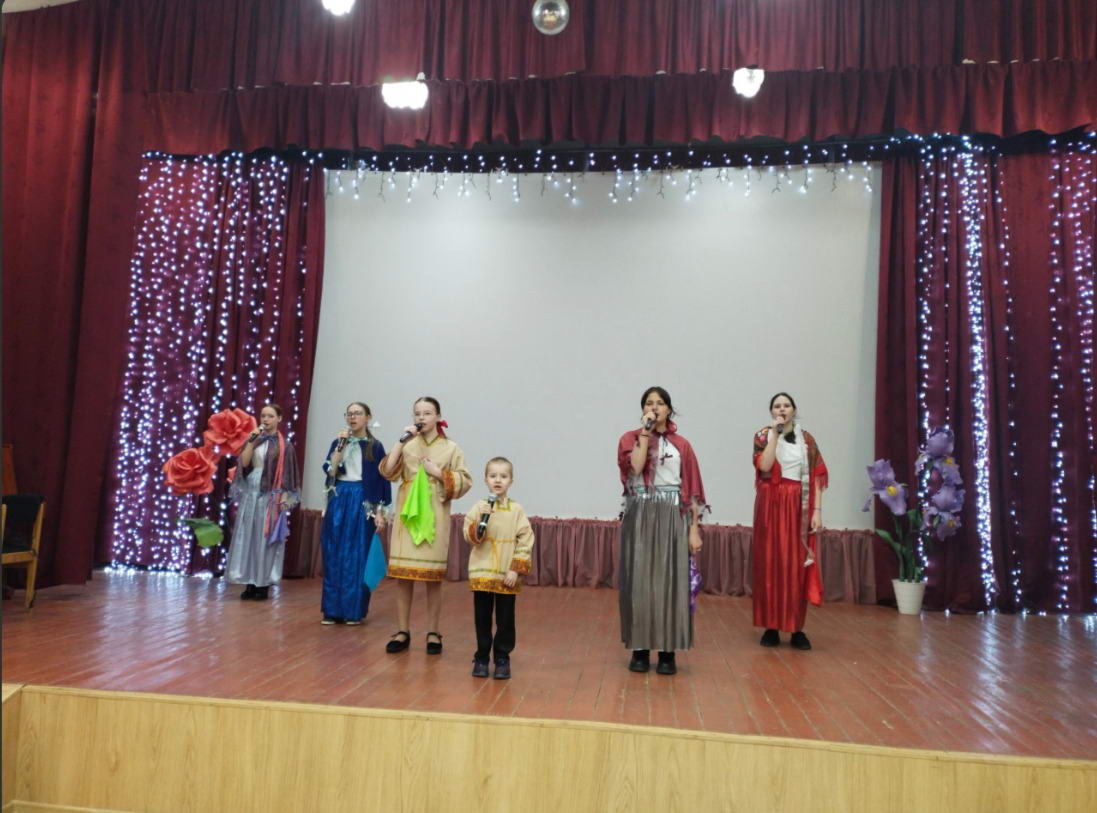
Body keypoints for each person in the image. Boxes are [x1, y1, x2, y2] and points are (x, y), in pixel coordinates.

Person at [616, 386, 706, 675]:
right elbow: (635, 468)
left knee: (671, 581)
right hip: (640, 512)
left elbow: (693, 489)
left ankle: (668, 652)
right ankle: (640, 649)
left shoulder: (683, 445)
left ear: (669, 409)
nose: (654, 407)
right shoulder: (629, 439)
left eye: (660, 403)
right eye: (648, 403)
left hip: (672, 514)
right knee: (640, 582)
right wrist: (645, 433)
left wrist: (694, 529)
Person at [380, 396, 471, 654]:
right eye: (417, 413)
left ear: (438, 416)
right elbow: (387, 471)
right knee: (403, 577)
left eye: (427, 413)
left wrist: (438, 473)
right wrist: (400, 441)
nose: (421, 417)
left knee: (433, 579)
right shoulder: (408, 445)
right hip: (408, 516)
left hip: (434, 515)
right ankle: (402, 631)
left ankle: (433, 631)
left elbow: (465, 481)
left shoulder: (451, 448)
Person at [752, 392, 828, 650]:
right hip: (770, 505)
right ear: (772, 412)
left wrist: (817, 511)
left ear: (794, 410)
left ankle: (796, 628)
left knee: (795, 565)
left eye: (786, 405)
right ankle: (771, 626)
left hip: (798, 505)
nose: (782, 409)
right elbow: (765, 466)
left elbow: (817, 476)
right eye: (777, 406)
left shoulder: (807, 439)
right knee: (770, 562)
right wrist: (775, 435)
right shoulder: (763, 436)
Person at [462, 457, 535, 680]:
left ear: (511, 481)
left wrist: (515, 569)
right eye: (493, 476)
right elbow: (469, 535)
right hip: (483, 571)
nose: (498, 480)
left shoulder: (516, 510)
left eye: (503, 476)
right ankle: (482, 657)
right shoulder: (479, 507)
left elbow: (525, 540)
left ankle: (502, 658)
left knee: (505, 619)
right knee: (482, 618)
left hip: (506, 574)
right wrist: (480, 522)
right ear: (485, 480)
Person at [319, 402, 391, 625]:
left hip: (362, 501)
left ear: (368, 417)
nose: (353, 417)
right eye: (349, 414)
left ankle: (353, 611)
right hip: (339, 498)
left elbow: (382, 481)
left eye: (358, 413)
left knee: (358, 555)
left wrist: (380, 512)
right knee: (334, 553)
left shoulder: (375, 446)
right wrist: (340, 448)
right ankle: (332, 610)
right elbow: (331, 471)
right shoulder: (338, 443)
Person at [226, 404, 300, 600]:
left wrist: (284, 500)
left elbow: (289, 476)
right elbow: (245, 463)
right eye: (263, 415)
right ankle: (250, 582)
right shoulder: (255, 440)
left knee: (265, 539)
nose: (265, 419)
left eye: (270, 416)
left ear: (279, 418)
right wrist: (250, 441)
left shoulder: (285, 446)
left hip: (270, 496)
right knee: (248, 537)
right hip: (251, 493)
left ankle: (262, 583)